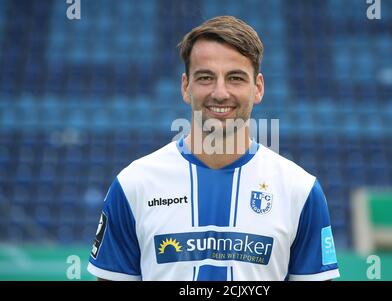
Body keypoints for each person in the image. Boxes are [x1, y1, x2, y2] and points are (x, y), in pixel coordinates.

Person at [87, 16, 340, 281]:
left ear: (258, 88)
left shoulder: (300, 191)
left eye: (235, 78)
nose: (220, 93)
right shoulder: (133, 185)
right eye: (206, 77)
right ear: (186, 87)